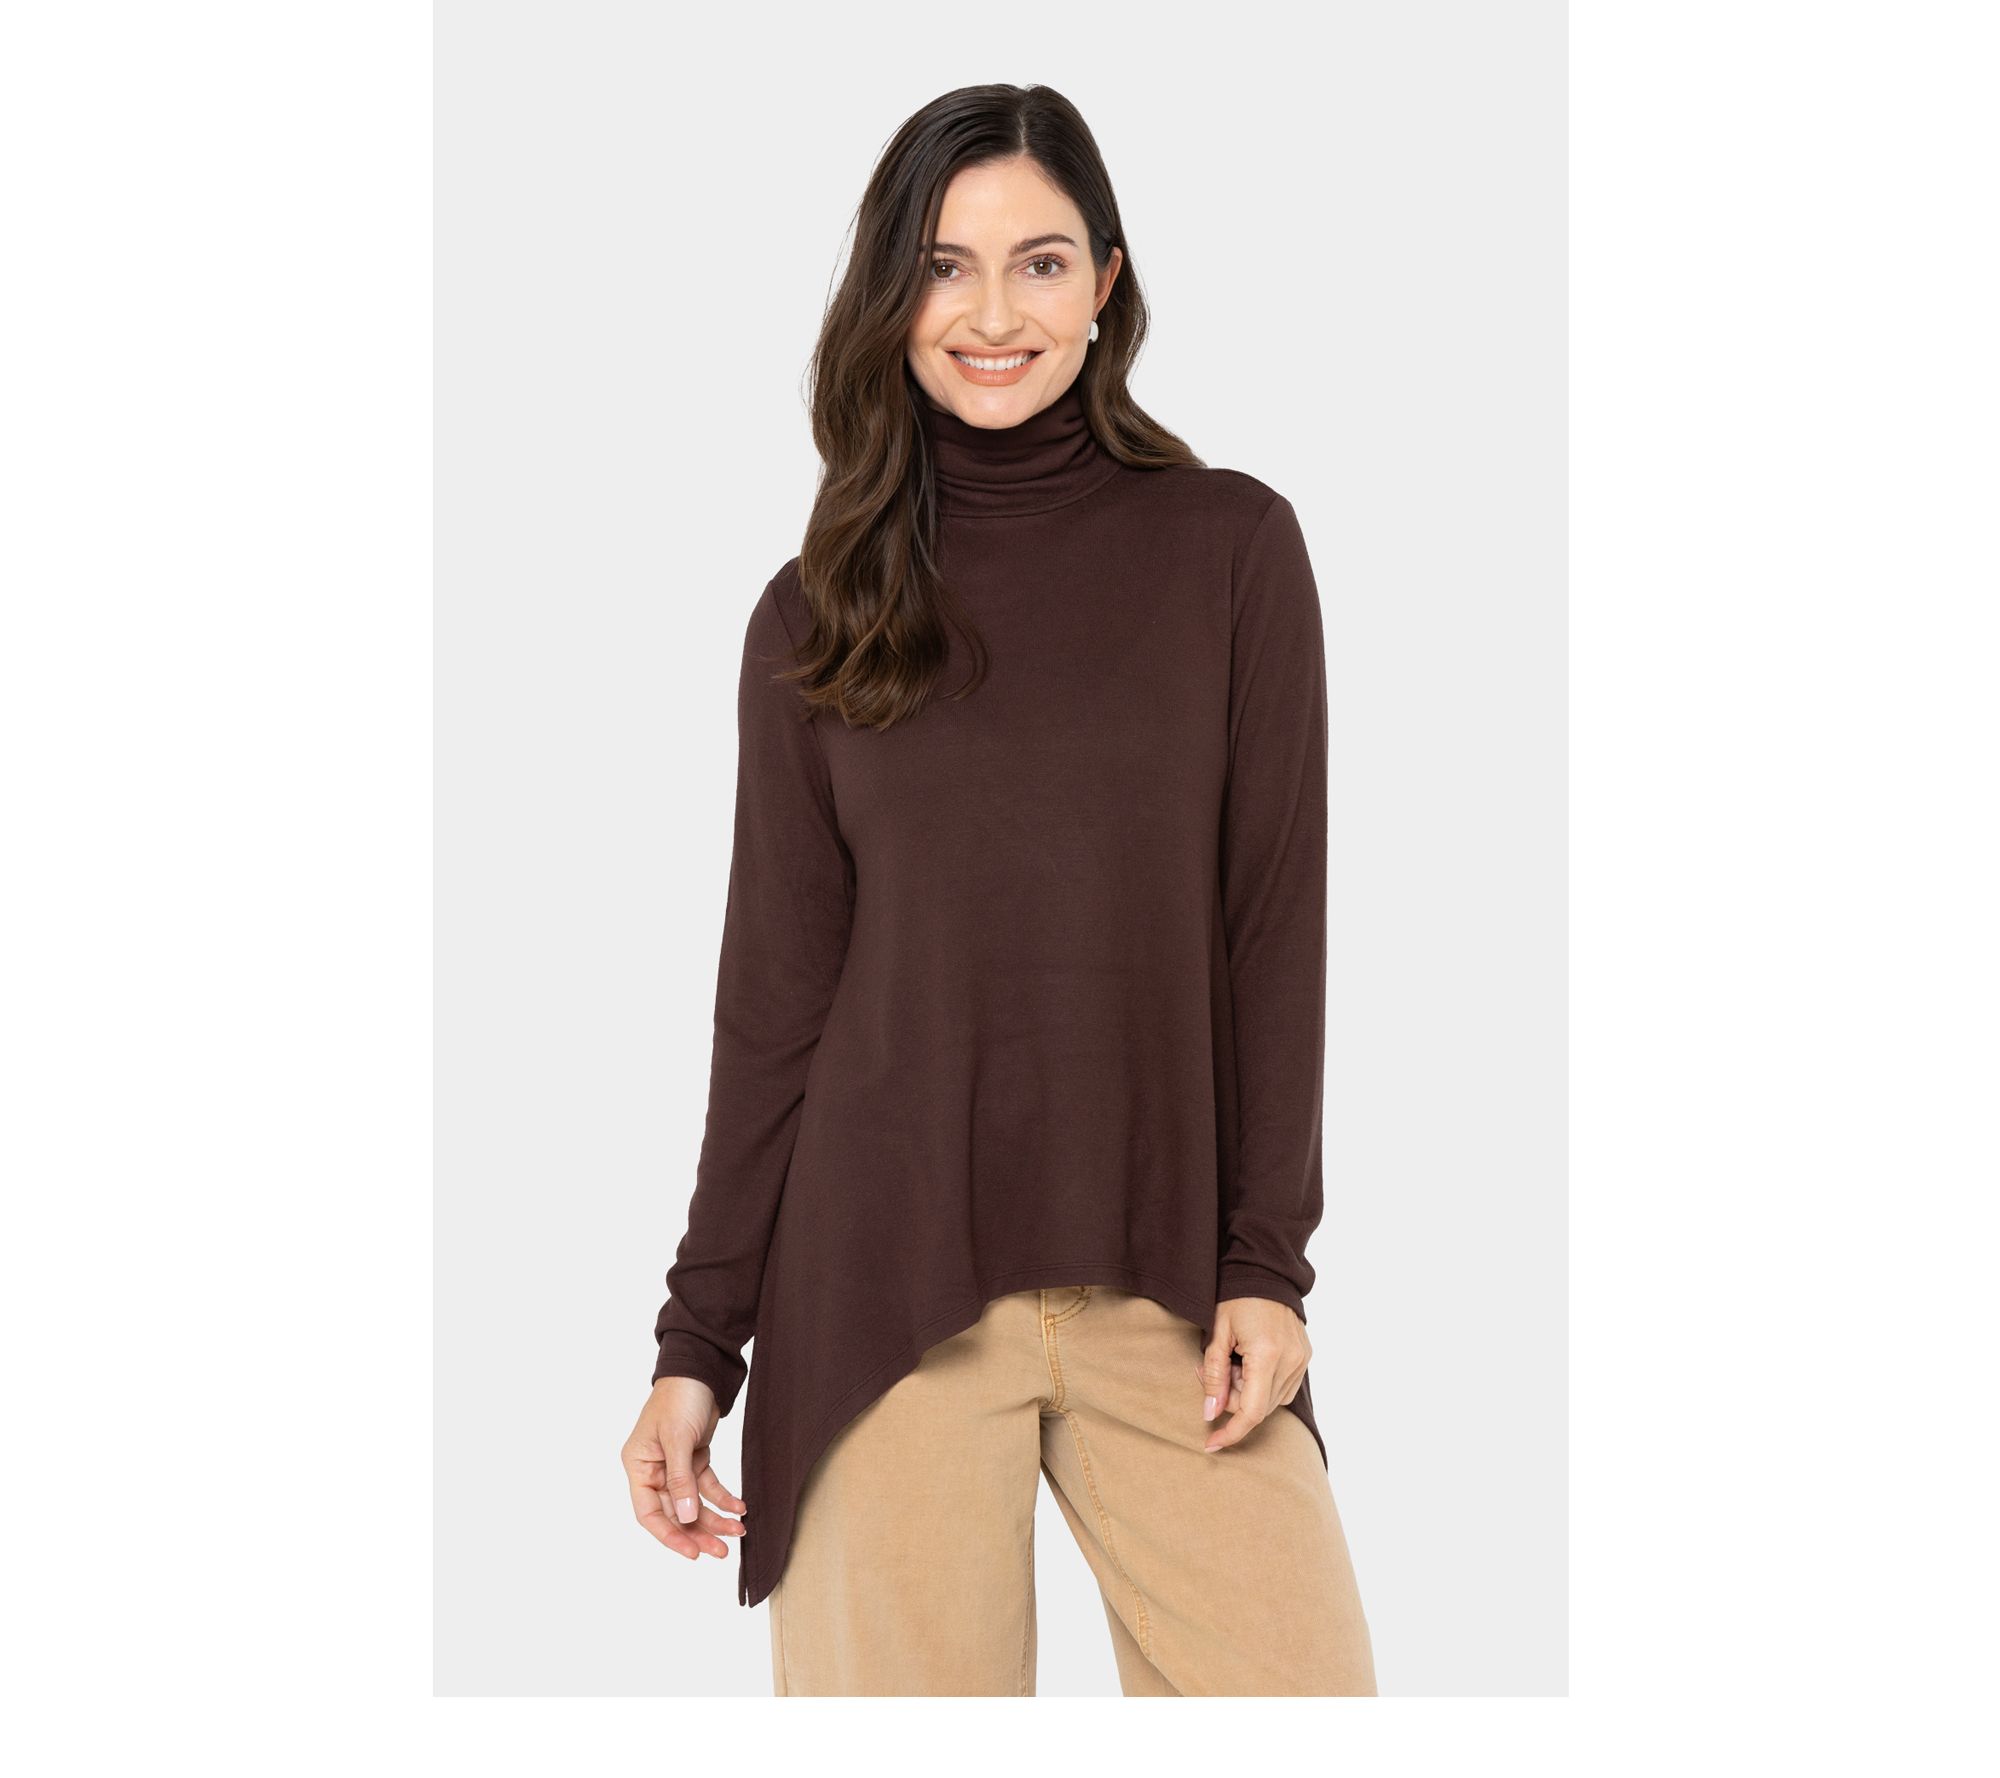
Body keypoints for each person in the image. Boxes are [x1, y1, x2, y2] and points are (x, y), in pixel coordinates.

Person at [620, 82, 1376, 1697]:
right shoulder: (815, 616)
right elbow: (774, 1007)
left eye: (1039, 263)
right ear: (891, 295)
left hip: (1175, 1295)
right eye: (945, 267)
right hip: (879, 1293)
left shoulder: (1233, 552)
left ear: (1107, 282)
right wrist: (698, 1348)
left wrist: (1268, 1263)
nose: (991, 313)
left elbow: (1272, 931)